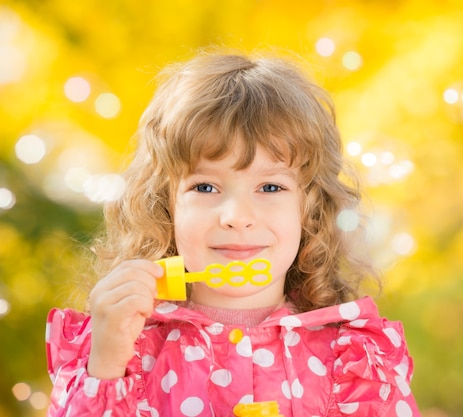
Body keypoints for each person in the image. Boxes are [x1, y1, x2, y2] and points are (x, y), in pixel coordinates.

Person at [45, 49, 420, 417]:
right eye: (205, 187)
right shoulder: (124, 347)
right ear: (165, 205)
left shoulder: (354, 361)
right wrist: (107, 367)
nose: (237, 217)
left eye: (271, 188)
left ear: (309, 209)